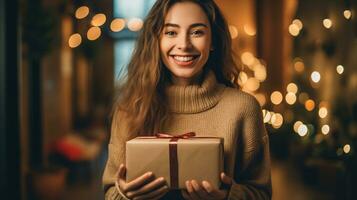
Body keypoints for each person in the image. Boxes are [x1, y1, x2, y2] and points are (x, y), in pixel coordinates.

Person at [102, 0, 272, 199]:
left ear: (213, 41)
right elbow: (111, 191)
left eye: (197, 32)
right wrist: (124, 195)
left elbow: (261, 194)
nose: (183, 45)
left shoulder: (243, 108)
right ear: (156, 40)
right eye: (171, 32)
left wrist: (228, 196)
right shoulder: (130, 109)